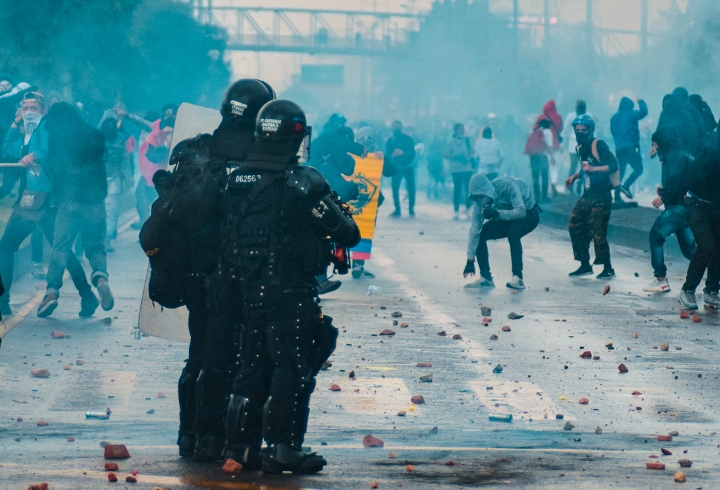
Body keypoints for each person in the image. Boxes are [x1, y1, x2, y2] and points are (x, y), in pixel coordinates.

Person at [222, 99, 360, 474]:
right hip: (290, 290)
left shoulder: (236, 179)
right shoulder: (303, 182)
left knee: (250, 367)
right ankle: (283, 448)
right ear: (294, 136)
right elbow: (347, 232)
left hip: (247, 290)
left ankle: (239, 449)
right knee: (293, 368)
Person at [163, 79, 276, 462]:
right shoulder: (266, 160)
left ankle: (190, 435)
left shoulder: (194, 150)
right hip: (244, 276)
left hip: (197, 275)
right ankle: (227, 439)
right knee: (243, 360)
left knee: (201, 353)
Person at [0, 93, 98, 318]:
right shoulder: (25, 132)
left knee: (55, 250)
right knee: (13, 246)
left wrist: (34, 156)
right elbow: (8, 150)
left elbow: (49, 150)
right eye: (25, 108)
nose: (29, 111)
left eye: (34, 107)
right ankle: (87, 295)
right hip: (30, 199)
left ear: (44, 111)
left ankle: (87, 295)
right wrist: (15, 125)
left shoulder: (47, 128)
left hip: (47, 199)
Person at [35, 102, 113, 317]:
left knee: (60, 247)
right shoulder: (96, 135)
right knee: (95, 247)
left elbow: (53, 167)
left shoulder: (58, 140)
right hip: (95, 201)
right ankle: (100, 279)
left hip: (69, 202)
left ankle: (51, 292)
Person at [565, 115, 619, 279]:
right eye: (577, 130)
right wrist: (575, 176)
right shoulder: (582, 146)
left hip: (601, 195)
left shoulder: (599, 144)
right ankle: (584, 264)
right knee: (574, 225)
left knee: (598, 231)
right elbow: (585, 167)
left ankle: (608, 268)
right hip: (588, 194)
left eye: (584, 130)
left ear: (590, 130)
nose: (580, 133)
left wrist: (593, 169)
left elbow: (613, 165)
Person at [463, 174, 539, 290]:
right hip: (507, 216)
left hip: (529, 213)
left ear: (487, 191)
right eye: (477, 198)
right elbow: (474, 230)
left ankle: (518, 278)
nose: (481, 201)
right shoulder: (480, 202)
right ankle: (486, 278)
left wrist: (497, 214)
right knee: (482, 234)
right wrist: (470, 260)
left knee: (513, 234)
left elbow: (521, 211)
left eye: (482, 197)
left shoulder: (506, 185)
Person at [643, 126, 696, 293]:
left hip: (677, 208)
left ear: (660, 143)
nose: (654, 148)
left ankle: (661, 279)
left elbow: (678, 182)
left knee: (656, 236)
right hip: (685, 207)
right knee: (690, 250)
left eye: (654, 144)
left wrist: (663, 197)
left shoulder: (674, 157)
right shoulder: (680, 154)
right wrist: (665, 191)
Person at [678, 131, 720, 310]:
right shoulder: (712, 150)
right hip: (697, 205)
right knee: (706, 246)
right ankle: (687, 290)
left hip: (714, 206)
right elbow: (690, 176)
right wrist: (668, 194)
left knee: (718, 248)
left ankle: (711, 292)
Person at [98, 113, 132, 250]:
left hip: (114, 178)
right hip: (99, 179)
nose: (110, 125)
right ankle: (100, 238)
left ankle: (107, 239)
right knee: (101, 210)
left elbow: (125, 160)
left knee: (112, 211)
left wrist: (128, 178)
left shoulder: (120, 138)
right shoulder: (97, 136)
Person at [610, 96, 648, 201]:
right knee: (638, 168)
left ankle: (617, 197)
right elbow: (644, 111)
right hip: (631, 147)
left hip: (619, 148)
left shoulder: (614, 118)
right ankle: (626, 186)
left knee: (620, 172)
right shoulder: (631, 114)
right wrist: (641, 100)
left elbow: (613, 132)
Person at [386, 121, 416, 217]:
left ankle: (411, 209)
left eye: (398, 127)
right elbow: (388, 153)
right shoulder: (390, 140)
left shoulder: (408, 139)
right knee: (395, 188)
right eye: (395, 127)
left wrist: (403, 153)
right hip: (397, 167)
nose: (397, 129)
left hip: (408, 166)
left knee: (411, 188)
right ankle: (397, 209)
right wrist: (392, 155)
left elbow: (412, 152)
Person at [445, 123, 475, 220]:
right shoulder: (451, 142)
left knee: (468, 189)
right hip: (456, 169)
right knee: (457, 190)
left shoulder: (467, 140)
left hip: (467, 168)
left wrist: (467, 157)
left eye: (462, 129)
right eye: (459, 129)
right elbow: (446, 154)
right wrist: (454, 156)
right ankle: (456, 210)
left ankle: (468, 208)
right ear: (455, 130)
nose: (461, 131)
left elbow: (472, 151)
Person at [563, 100, 592, 194]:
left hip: (585, 146)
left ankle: (580, 185)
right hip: (573, 146)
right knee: (573, 167)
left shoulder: (589, 116)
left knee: (584, 166)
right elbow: (565, 131)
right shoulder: (571, 116)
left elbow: (592, 131)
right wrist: (563, 145)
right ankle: (570, 187)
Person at [524, 118, 554, 202]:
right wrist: (552, 158)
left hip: (533, 157)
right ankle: (544, 196)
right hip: (542, 157)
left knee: (535, 177)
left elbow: (529, 146)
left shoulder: (532, 131)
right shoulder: (547, 132)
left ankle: (537, 196)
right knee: (544, 176)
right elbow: (550, 146)